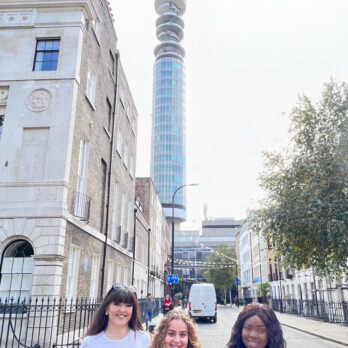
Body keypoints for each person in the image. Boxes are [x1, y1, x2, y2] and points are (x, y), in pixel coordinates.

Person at [81, 284, 150, 348]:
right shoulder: (90, 343)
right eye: (117, 304)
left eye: (128, 305)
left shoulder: (143, 339)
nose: (122, 310)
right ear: (106, 307)